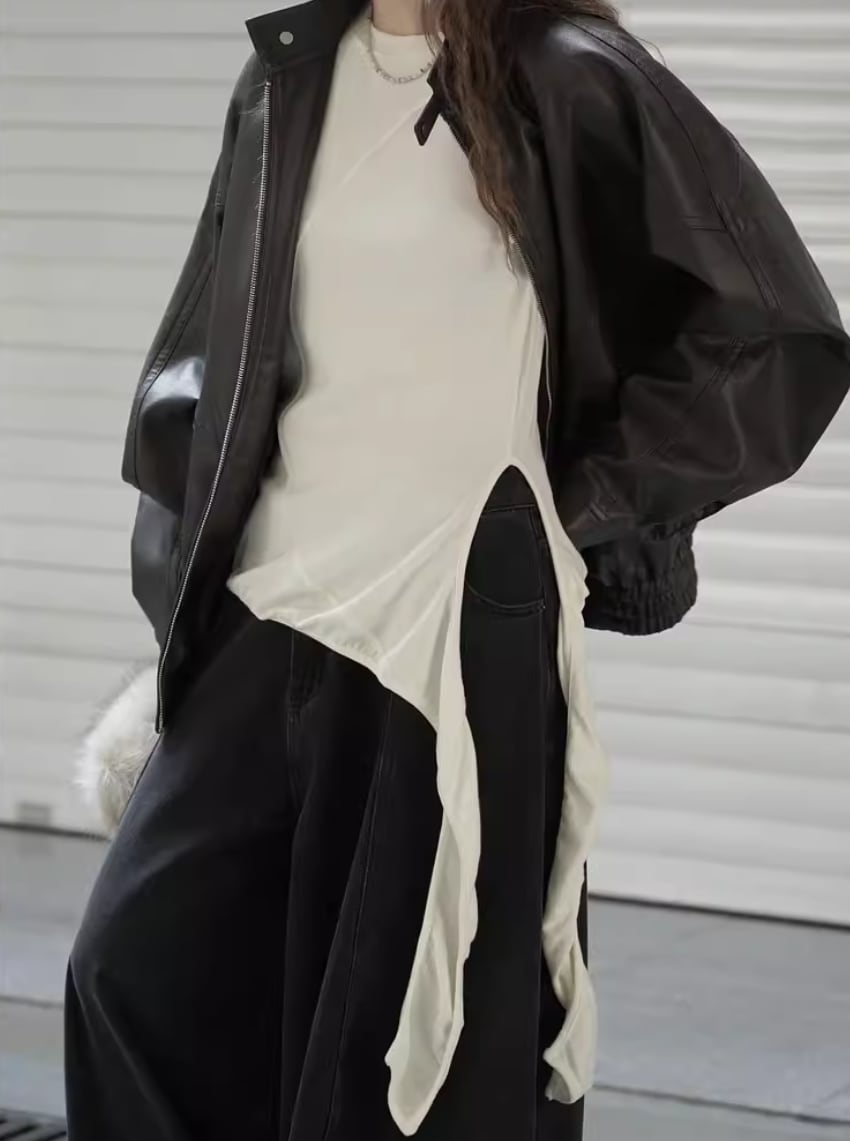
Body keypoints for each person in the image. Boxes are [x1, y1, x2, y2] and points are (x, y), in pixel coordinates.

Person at [64, 0, 850, 1138]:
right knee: (131, 976)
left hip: (443, 617)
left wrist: (571, 508)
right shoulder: (288, 76)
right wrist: (182, 576)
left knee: (389, 1061)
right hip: (268, 601)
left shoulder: (568, 75)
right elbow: (213, 345)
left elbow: (771, 333)